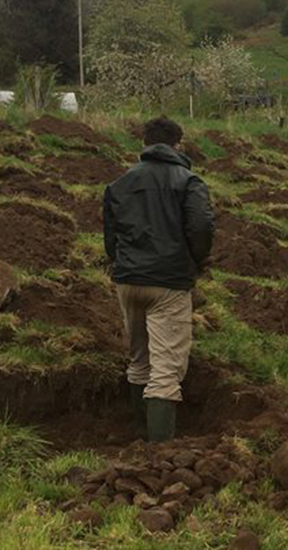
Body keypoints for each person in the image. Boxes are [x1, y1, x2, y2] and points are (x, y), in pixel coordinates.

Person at [103, 117, 215, 442]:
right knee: (166, 370)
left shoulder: (119, 184)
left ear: (144, 144)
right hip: (168, 282)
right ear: (177, 145)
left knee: (139, 360)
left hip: (127, 280)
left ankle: (140, 434)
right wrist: (195, 261)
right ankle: (160, 454)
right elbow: (201, 227)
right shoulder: (189, 181)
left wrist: (122, 262)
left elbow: (110, 238)